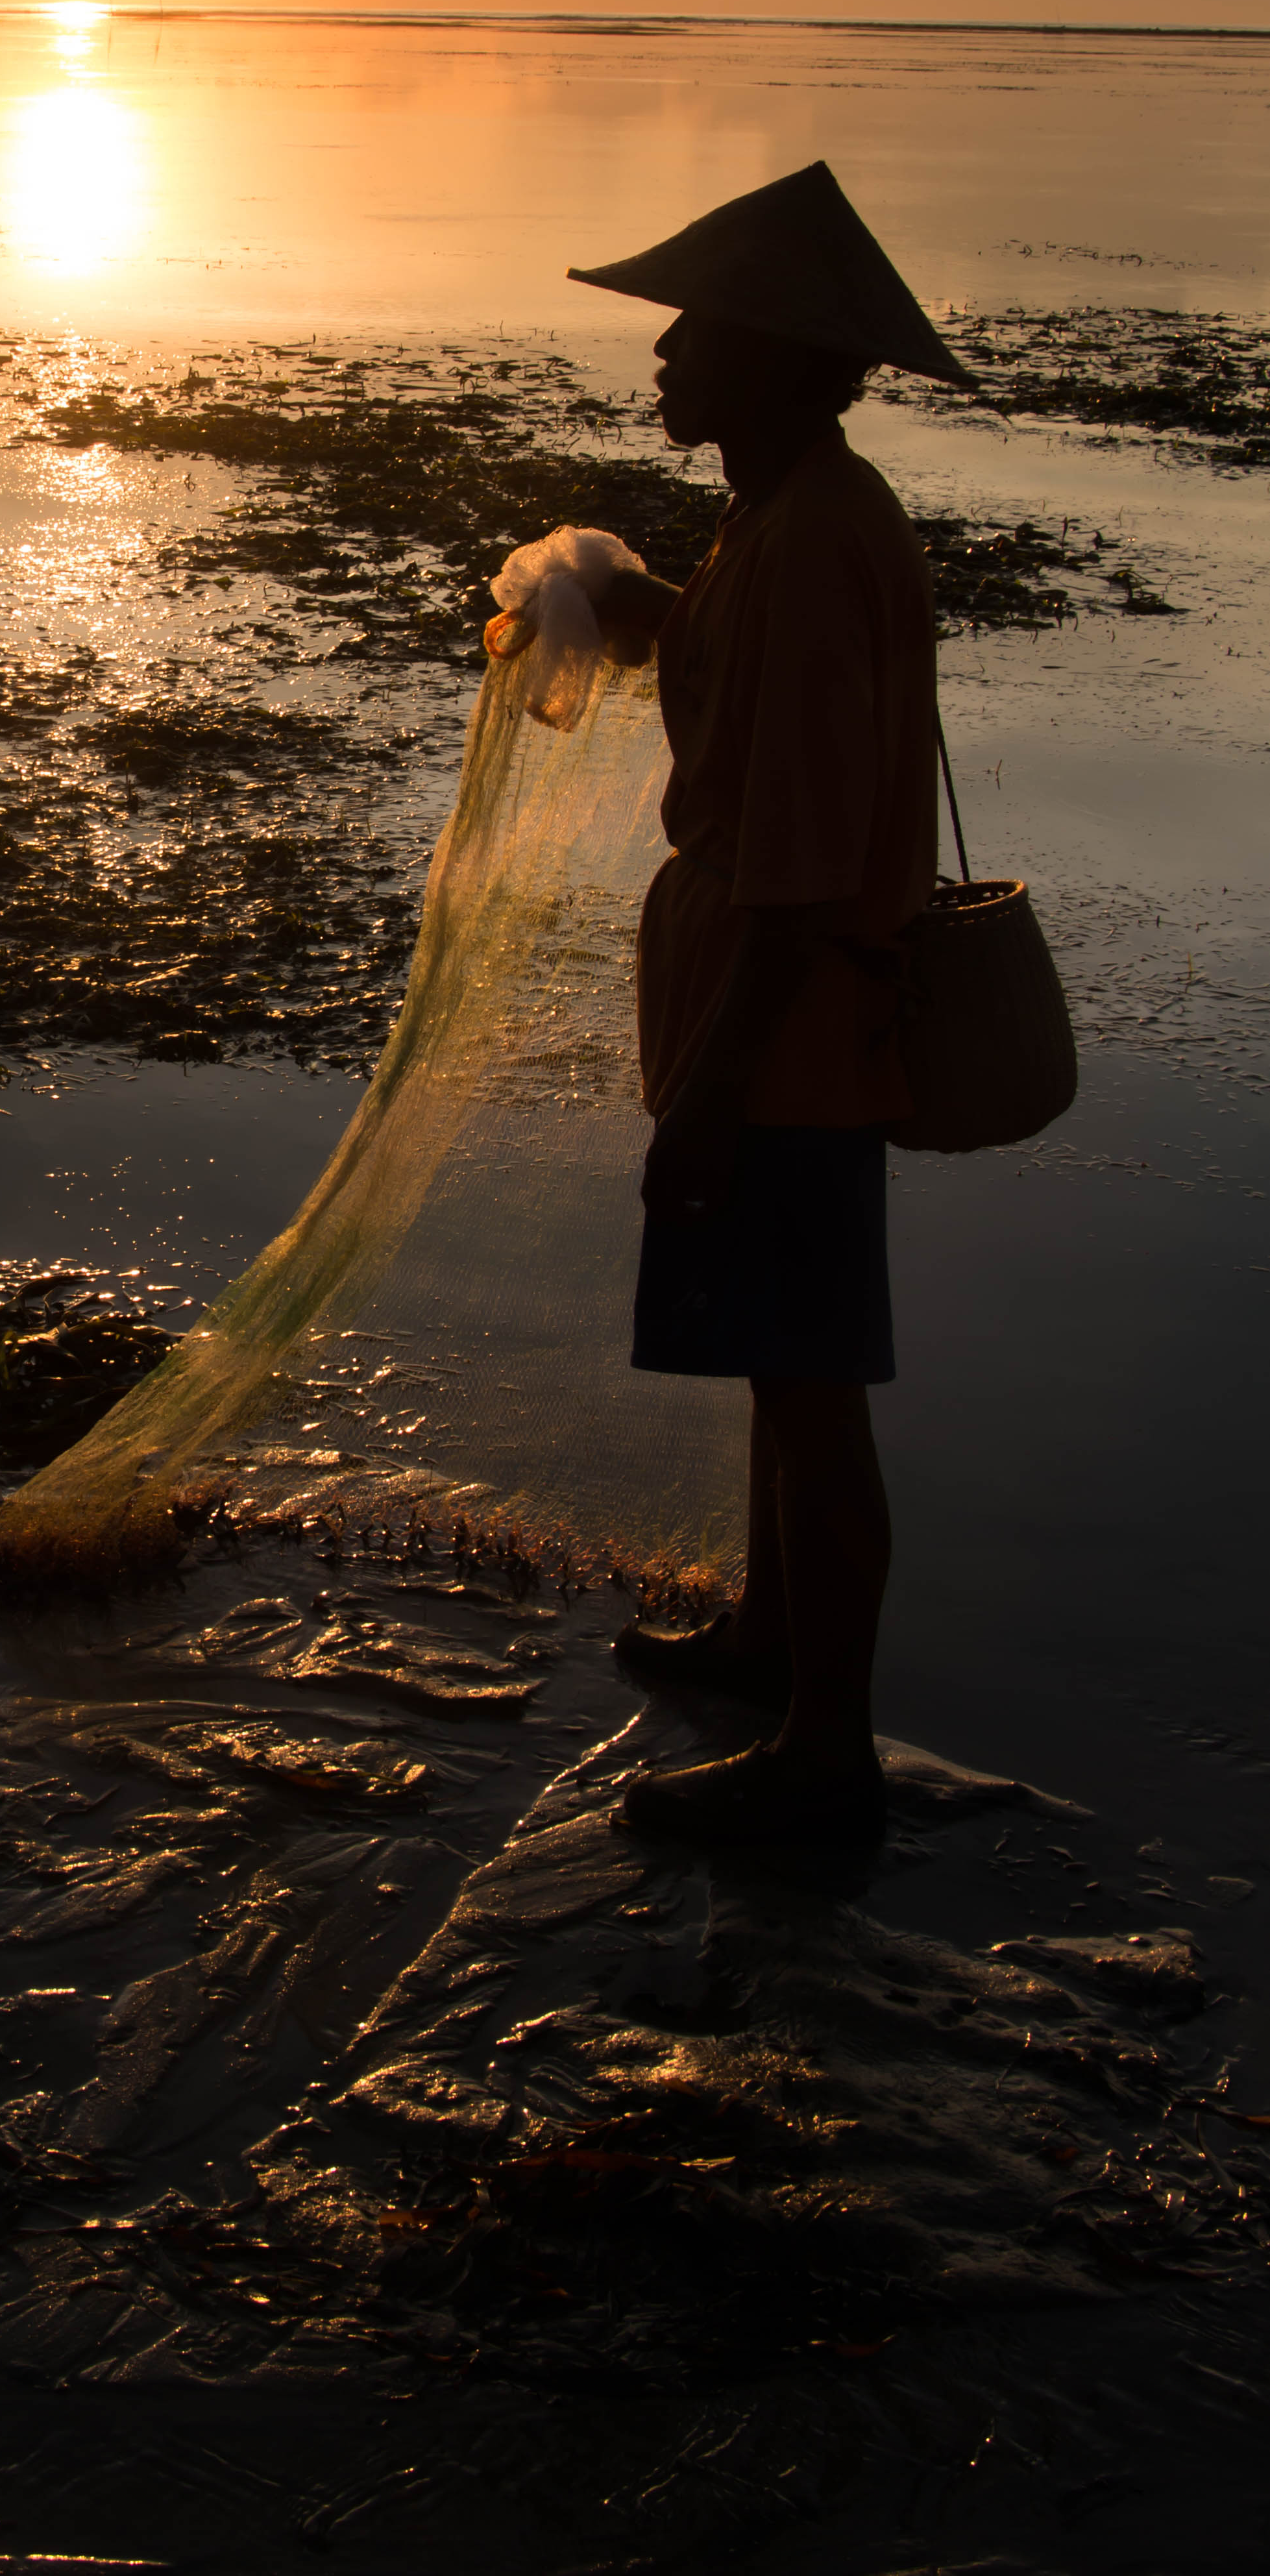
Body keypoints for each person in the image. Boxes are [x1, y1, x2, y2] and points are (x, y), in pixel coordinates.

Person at [555, 163, 977, 1848]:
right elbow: (750, 695)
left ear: (784, 358)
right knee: (776, 1367)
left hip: (785, 1032)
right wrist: (636, 611)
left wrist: (711, 1096)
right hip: (769, 1018)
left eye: (697, 330)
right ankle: (765, 1645)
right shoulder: (780, 514)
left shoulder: (811, 540)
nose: (663, 355)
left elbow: (800, 867)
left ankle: (824, 1756)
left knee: (810, 1391)